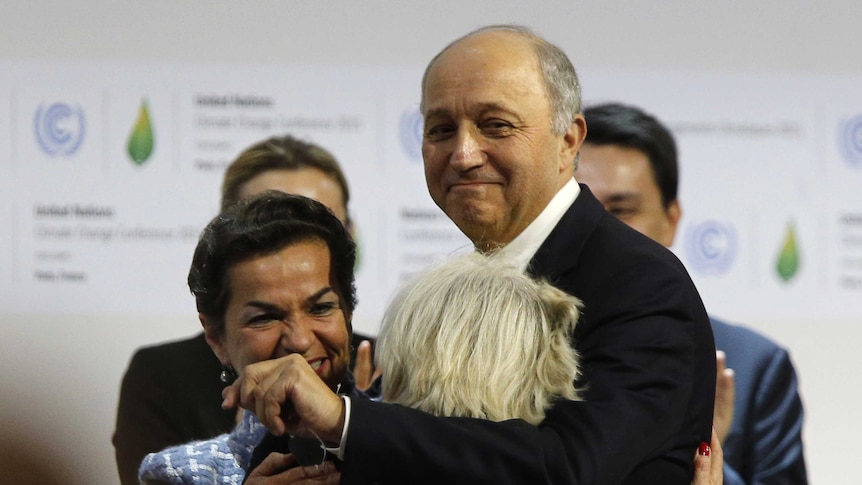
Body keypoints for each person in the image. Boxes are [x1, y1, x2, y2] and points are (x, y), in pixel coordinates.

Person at [235, 24, 715, 485]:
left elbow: (569, 467)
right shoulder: (449, 292)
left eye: (496, 126)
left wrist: (346, 421)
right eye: (441, 130)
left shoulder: (638, 280)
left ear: (568, 140)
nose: (463, 154)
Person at [112, 135, 375, 485]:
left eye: (322, 307)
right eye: (265, 317)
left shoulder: (400, 378)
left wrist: (366, 429)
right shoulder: (165, 386)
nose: (298, 340)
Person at [577, 102, 808, 484]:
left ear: (671, 220)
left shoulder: (753, 365)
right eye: (581, 209)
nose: (599, 230)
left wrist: (705, 455)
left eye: (620, 210)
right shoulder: (508, 348)